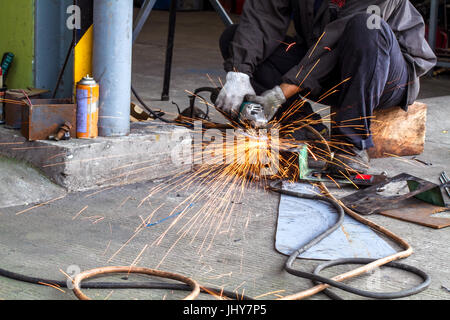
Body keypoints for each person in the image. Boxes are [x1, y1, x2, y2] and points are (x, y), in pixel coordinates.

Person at [216, 0, 436, 174]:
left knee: (367, 26)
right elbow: (262, 18)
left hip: (381, 75)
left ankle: (350, 146)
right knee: (235, 38)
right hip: (324, 69)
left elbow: (336, 39)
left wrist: (277, 95)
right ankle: (305, 129)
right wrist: (239, 73)